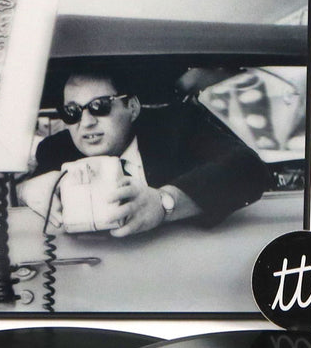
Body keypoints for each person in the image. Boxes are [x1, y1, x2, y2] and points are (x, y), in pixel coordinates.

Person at [22, 68, 272, 237]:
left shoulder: (177, 127)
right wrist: (26, 190)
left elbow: (249, 168)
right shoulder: (55, 150)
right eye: (72, 112)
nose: (86, 123)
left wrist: (164, 202)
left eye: (100, 106)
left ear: (132, 107)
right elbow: (18, 193)